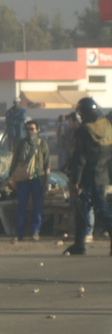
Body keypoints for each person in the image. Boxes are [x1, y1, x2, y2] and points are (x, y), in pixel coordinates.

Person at [63, 98, 112, 256]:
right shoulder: (107, 126)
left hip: (87, 177)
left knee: (83, 210)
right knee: (101, 209)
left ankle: (80, 245)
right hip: (102, 176)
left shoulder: (84, 130)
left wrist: (75, 182)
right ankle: (80, 244)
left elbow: (79, 159)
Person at [9, 120, 50, 242]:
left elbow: (47, 164)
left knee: (37, 206)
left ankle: (35, 231)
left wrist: (47, 180)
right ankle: (20, 233)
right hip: (23, 179)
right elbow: (14, 161)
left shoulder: (42, 144)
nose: (30, 132)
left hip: (38, 178)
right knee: (22, 206)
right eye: (27, 129)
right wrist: (13, 178)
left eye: (32, 129)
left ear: (37, 130)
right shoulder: (21, 144)